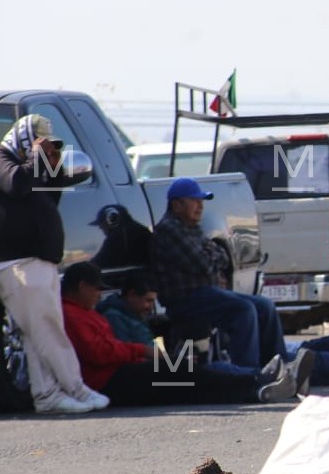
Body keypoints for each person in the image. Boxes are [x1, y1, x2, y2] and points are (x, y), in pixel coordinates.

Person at [61, 262, 310, 406]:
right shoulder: (73, 315)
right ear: (82, 287)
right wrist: (144, 353)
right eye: (95, 290)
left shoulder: (87, 312)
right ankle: (256, 385)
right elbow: (99, 352)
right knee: (185, 377)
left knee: (189, 375)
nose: (98, 295)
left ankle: (257, 384)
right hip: (109, 380)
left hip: (122, 369)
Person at [0, 115, 109, 413]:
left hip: (41, 262)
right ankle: (75, 387)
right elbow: (17, 185)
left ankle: (47, 395)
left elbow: (49, 199)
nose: (45, 149)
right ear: (24, 138)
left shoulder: (31, 168)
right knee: (47, 329)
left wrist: (53, 166)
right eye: (41, 142)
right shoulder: (4, 159)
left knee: (37, 333)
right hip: (18, 263)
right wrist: (36, 155)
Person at [152, 177, 296, 370]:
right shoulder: (169, 229)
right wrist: (211, 259)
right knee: (243, 309)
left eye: (201, 201)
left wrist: (210, 258)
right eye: (194, 201)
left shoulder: (191, 228)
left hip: (205, 291)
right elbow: (203, 265)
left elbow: (223, 258)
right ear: (177, 205)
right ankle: (247, 373)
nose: (200, 206)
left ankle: (278, 365)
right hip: (185, 299)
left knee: (264, 305)